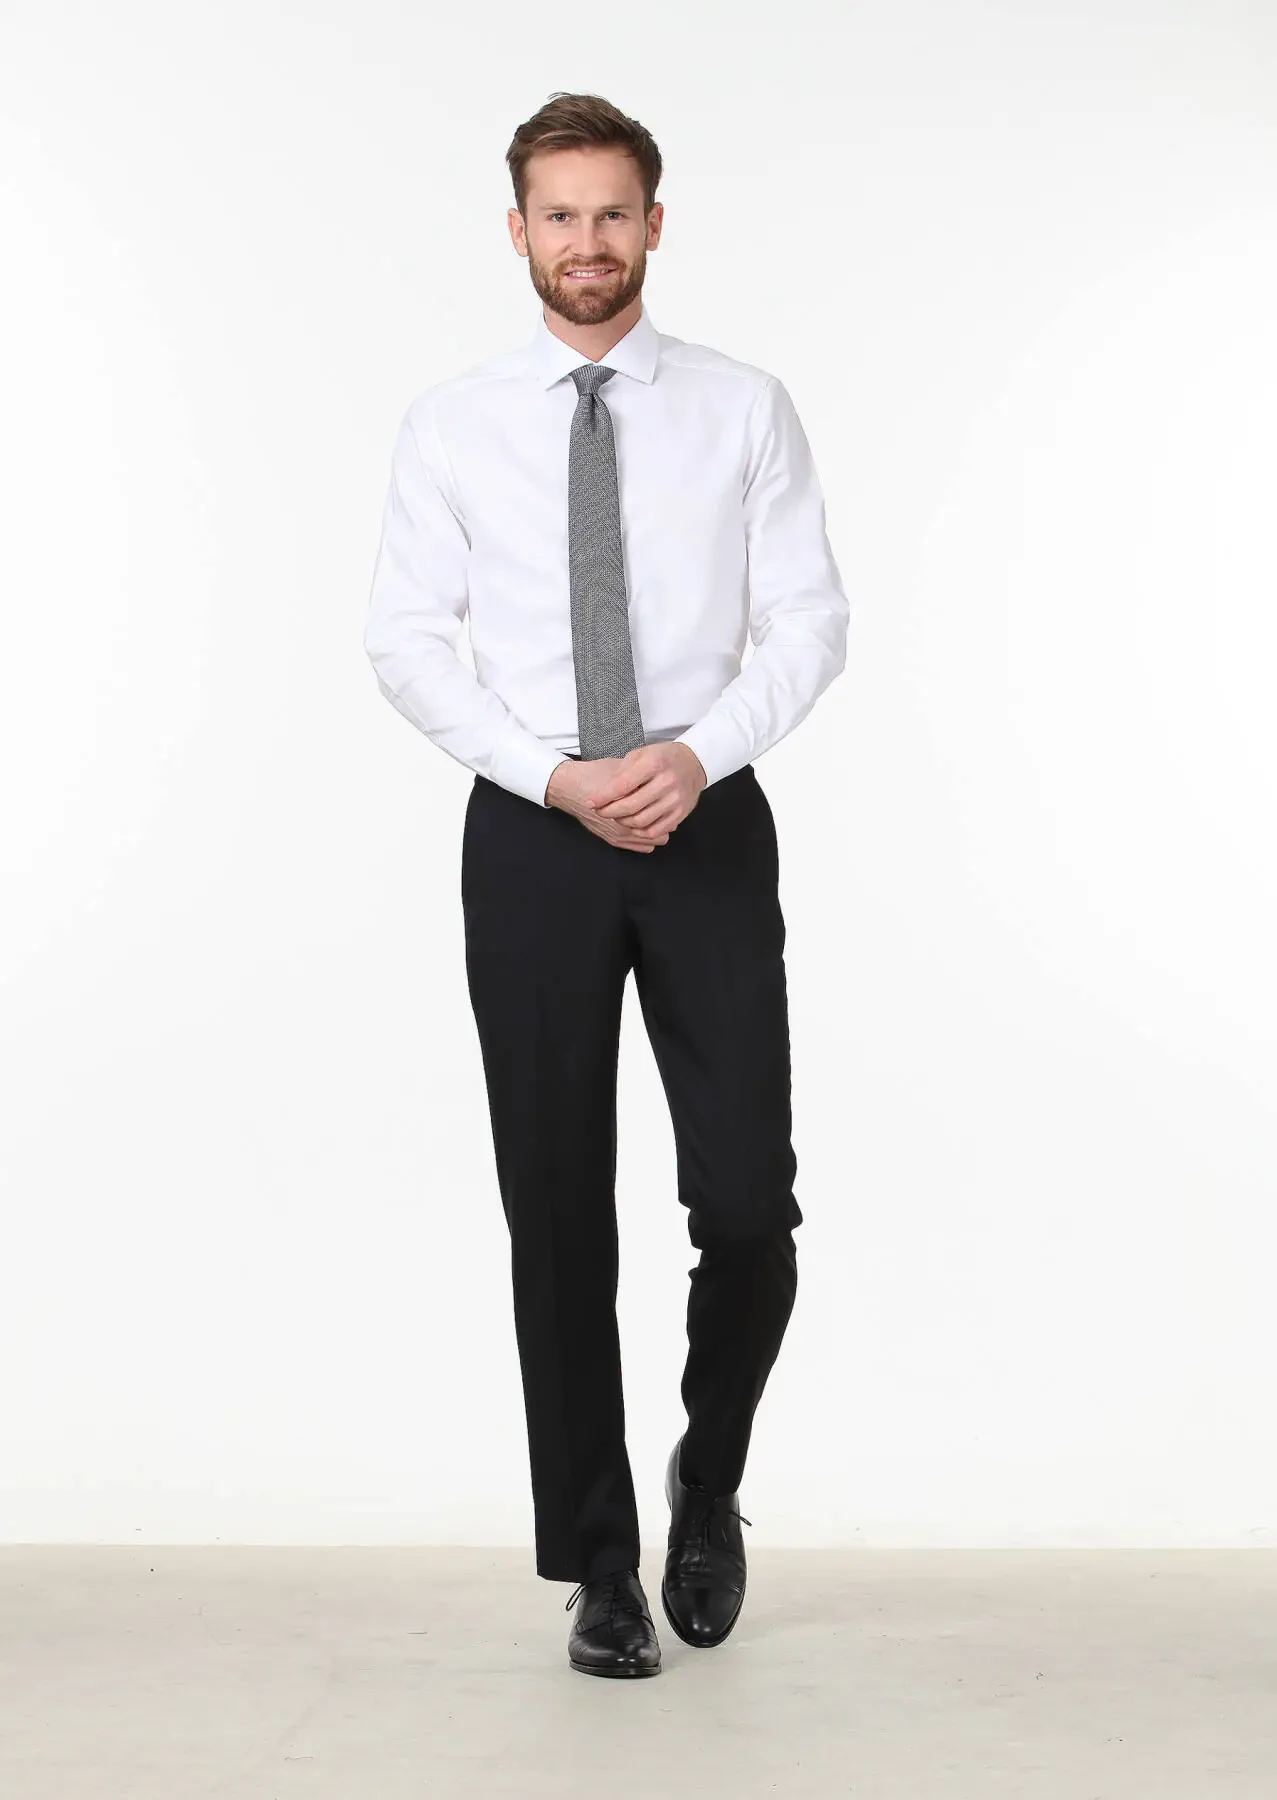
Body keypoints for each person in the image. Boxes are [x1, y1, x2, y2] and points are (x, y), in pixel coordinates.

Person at [363, 90, 851, 1680]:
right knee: (559, 1206)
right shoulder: (452, 423)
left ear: (655, 224)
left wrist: (697, 756)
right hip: (534, 834)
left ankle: (706, 1485)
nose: (587, 241)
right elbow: (405, 641)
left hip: (706, 821)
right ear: (519, 231)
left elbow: (811, 620)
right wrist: (554, 775)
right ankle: (597, 1564)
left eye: (612, 212)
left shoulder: (743, 408)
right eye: (559, 215)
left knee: (749, 1202)